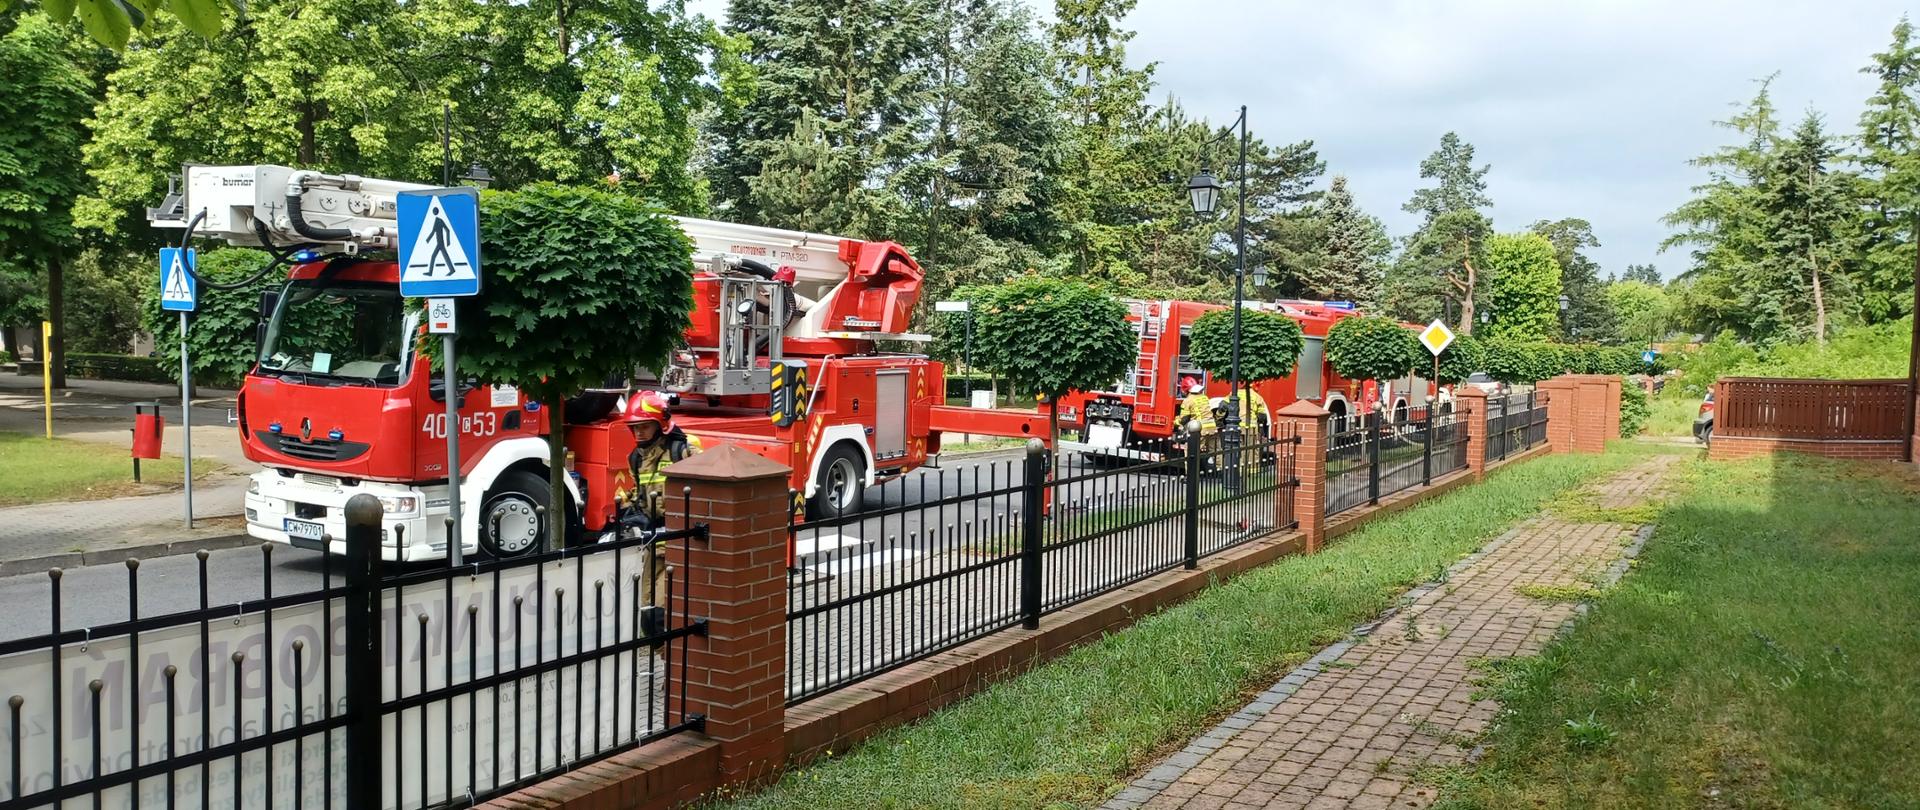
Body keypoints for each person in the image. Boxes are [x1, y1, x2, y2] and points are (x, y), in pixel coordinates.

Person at [618, 391, 704, 620]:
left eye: (645, 426)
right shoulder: (635, 458)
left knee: (662, 615)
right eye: (635, 427)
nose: (638, 432)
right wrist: (628, 508)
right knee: (646, 612)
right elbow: (641, 492)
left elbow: (706, 491)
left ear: (660, 424)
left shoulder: (683, 452)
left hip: (677, 542)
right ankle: (665, 653)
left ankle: (673, 653)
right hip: (652, 544)